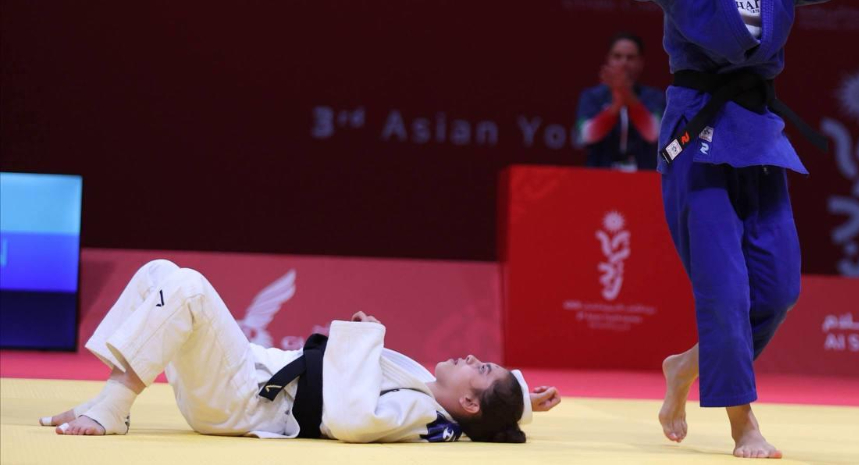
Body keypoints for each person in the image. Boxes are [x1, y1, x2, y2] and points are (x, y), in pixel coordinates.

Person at [560, 0, 859, 458]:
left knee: (777, 291)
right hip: (697, 131)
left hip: (756, 131)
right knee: (724, 288)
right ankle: (742, 423)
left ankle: (685, 366)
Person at [40, 259, 561, 442]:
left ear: (468, 403)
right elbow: (491, 408)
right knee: (160, 273)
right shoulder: (428, 394)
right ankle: (106, 399)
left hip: (245, 400)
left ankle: (113, 408)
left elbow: (353, 421)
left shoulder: (423, 415)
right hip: (246, 381)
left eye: (482, 368)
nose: (470, 357)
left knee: (190, 288)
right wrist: (521, 402)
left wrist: (366, 339)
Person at [576, 32, 665, 170]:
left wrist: (628, 97)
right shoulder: (591, 96)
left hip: (644, 174)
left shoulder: (655, 97)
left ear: (641, 62)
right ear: (608, 60)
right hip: (600, 173)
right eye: (617, 56)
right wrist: (616, 106)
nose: (624, 63)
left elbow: (653, 134)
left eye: (630, 58)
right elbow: (586, 135)